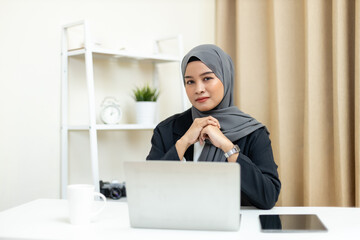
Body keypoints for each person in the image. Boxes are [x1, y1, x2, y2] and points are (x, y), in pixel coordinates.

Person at [146, 44, 281, 209]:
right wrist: (184, 142)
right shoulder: (167, 129)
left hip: (235, 230)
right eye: (190, 82)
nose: (199, 89)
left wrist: (227, 146)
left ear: (225, 77)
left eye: (207, 78)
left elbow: (268, 197)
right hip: (178, 225)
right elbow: (147, 189)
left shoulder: (253, 132)